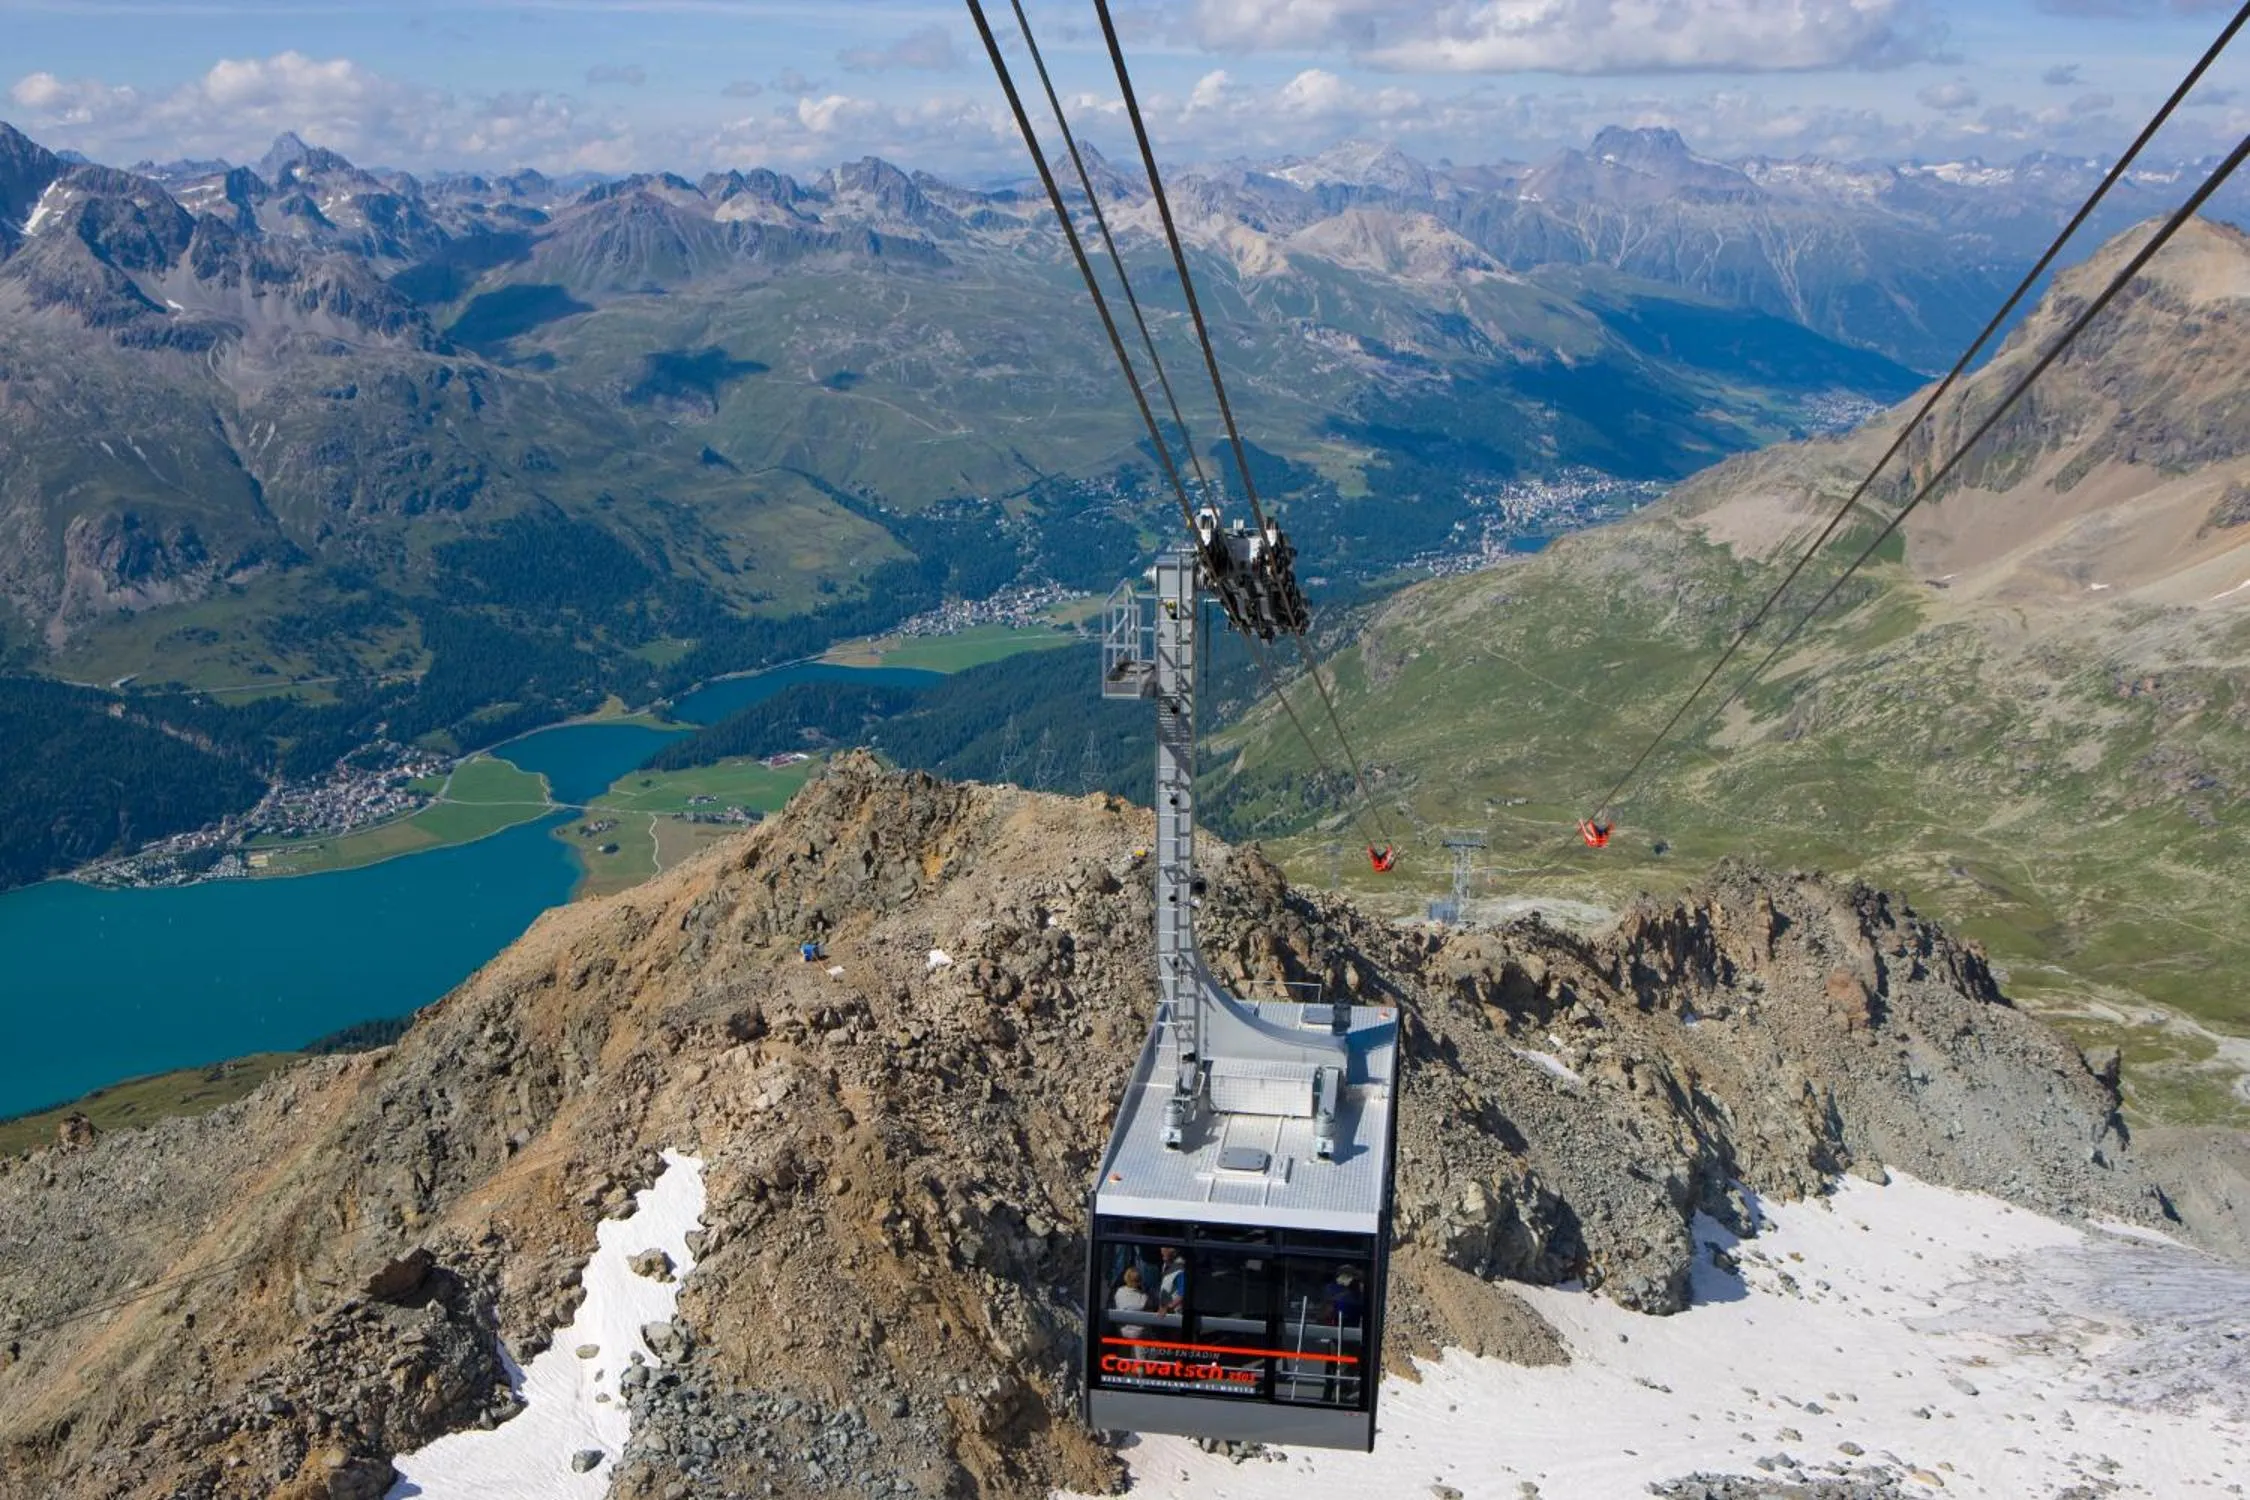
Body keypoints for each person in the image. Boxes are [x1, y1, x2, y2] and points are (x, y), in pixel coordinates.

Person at [1112, 1267, 1152, 1339]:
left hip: (1122, 1331)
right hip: (1139, 1334)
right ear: (1140, 1281)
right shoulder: (1144, 1296)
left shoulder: (1119, 1292)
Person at [1156, 1247, 1188, 1313]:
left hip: (1174, 1312)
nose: (1162, 1249)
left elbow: (1182, 1294)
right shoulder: (1166, 1264)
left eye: (1166, 1247)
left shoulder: (1180, 1270)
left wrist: (1168, 1307)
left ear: (1174, 1252)